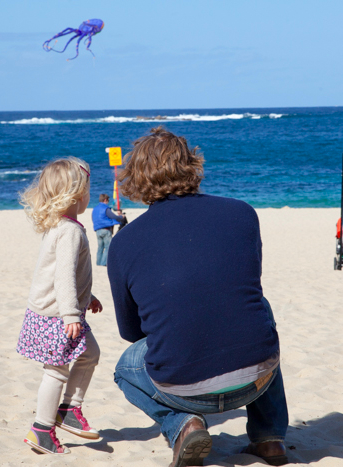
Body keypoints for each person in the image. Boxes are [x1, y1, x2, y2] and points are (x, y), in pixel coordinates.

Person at [108, 127, 289, 467]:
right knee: (259, 310)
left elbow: (131, 332)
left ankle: (182, 425)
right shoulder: (243, 214)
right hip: (256, 378)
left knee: (124, 367)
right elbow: (245, 288)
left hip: (181, 387)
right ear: (192, 165)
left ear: (137, 177)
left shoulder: (124, 242)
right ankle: (270, 438)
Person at [16, 157, 104, 456]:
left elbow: (68, 275)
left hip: (56, 310)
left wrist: (86, 296)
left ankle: (67, 408)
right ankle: (42, 429)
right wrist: (70, 312)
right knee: (56, 371)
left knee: (90, 353)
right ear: (78, 194)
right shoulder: (69, 231)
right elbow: (63, 275)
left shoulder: (62, 226)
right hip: (57, 315)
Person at [91, 194, 124, 266]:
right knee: (108, 247)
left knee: (100, 247)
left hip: (98, 230)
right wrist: (121, 217)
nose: (108, 202)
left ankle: (98, 263)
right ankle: (103, 263)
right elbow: (113, 216)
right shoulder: (105, 208)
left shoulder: (95, 209)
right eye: (108, 200)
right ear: (105, 200)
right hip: (105, 229)